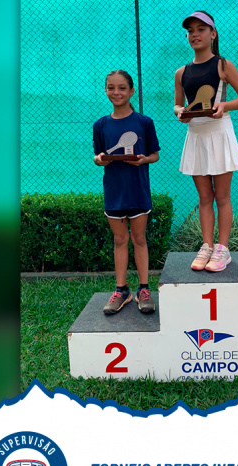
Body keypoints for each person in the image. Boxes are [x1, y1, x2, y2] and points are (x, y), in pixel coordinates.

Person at [174, 11, 238, 272]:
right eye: (190, 31)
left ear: (213, 34)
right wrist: (180, 112)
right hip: (195, 135)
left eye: (201, 29)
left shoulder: (223, 65)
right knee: (204, 197)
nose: (195, 34)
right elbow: (177, 105)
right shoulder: (181, 72)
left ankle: (222, 250)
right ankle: (207, 246)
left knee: (222, 196)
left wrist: (224, 105)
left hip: (220, 133)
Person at [93, 70, 160, 315]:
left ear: (131, 91)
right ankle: (122, 291)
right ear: (106, 90)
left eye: (122, 88)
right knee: (120, 240)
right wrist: (99, 159)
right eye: (111, 87)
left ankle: (144, 290)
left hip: (137, 191)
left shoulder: (144, 122)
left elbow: (155, 155)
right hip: (114, 192)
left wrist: (143, 160)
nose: (116, 92)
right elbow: (98, 155)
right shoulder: (100, 125)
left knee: (139, 239)